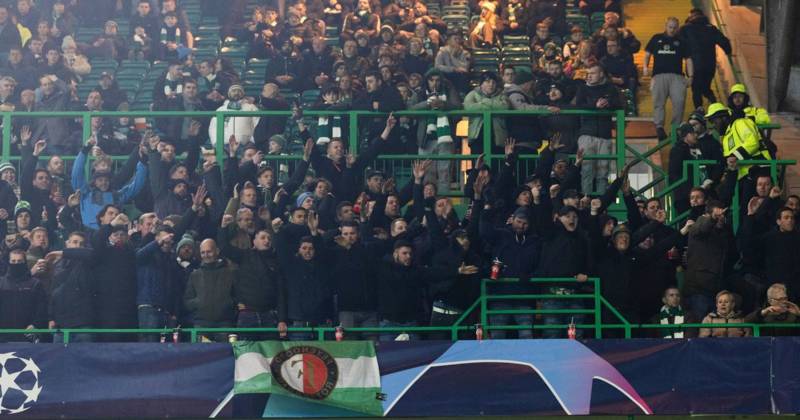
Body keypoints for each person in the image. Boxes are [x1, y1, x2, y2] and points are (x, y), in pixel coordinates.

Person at [682, 200, 737, 322]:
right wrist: (712, 218)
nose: (720, 217)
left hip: (717, 290)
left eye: (722, 215)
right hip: (698, 291)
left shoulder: (724, 232)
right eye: (717, 215)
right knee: (701, 329)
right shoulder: (698, 225)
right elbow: (702, 228)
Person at [643, 17, 694, 141]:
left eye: (675, 27)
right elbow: (647, 53)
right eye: (670, 27)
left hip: (677, 76)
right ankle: (659, 127)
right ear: (665, 26)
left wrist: (691, 76)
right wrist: (645, 67)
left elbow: (688, 59)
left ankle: (675, 128)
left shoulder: (682, 41)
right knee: (658, 102)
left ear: (678, 27)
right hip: (659, 75)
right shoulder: (656, 38)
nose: (672, 30)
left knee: (679, 102)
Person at [575, 64, 622, 194]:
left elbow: (619, 105)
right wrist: (594, 105)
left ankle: (601, 202)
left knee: (603, 171)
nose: (589, 76)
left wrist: (609, 104)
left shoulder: (611, 88)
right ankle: (586, 200)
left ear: (601, 74)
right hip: (587, 134)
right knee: (587, 170)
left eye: (593, 73)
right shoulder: (582, 88)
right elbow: (578, 106)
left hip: (604, 135)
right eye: (588, 73)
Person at [183, 239, 237, 341]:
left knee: (225, 356)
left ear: (217, 251)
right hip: (201, 324)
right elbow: (187, 300)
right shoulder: (195, 275)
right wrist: (200, 302)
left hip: (225, 324)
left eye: (209, 251)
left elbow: (237, 296)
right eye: (203, 252)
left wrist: (229, 304)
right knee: (199, 357)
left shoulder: (229, 273)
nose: (206, 255)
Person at [679, 9, 731, 110]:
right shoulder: (711, 28)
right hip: (709, 65)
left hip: (694, 66)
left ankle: (699, 112)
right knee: (705, 87)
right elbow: (724, 41)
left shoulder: (685, 28)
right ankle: (714, 104)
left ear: (691, 16)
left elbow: (677, 45)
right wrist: (728, 51)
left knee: (696, 90)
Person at [0, 247, 46, 342]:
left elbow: (41, 307)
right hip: (3, 335)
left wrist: (35, 324)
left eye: (19, 261)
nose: (16, 264)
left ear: (25, 262)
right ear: (8, 262)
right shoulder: (1, 283)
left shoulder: (35, 284)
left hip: (27, 334)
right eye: (13, 261)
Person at [464, 72, 509, 152]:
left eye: (493, 82)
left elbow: (505, 107)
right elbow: (469, 108)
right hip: (477, 138)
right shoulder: (473, 94)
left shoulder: (502, 95)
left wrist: (484, 101)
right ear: (481, 84)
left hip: (497, 139)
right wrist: (493, 106)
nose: (491, 85)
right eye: (488, 82)